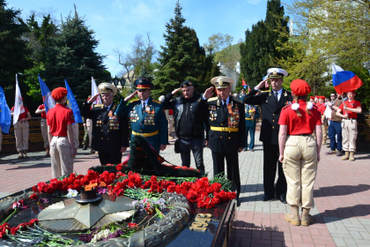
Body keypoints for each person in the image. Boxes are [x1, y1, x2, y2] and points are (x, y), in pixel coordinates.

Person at [243, 68, 293, 203]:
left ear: (282, 81)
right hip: (269, 136)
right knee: (268, 165)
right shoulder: (265, 95)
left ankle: (282, 192)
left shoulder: (289, 96)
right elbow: (246, 99)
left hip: (284, 136)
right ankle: (268, 192)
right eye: (272, 80)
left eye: (277, 80)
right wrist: (256, 87)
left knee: (283, 166)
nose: (274, 83)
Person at [193, 76, 245, 201]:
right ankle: (219, 195)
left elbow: (242, 125)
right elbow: (195, 111)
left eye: (224, 89)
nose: (221, 92)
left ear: (229, 89)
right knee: (218, 171)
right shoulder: (210, 103)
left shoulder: (237, 104)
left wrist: (242, 143)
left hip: (232, 140)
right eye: (219, 89)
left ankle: (234, 196)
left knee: (233, 170)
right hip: (216, 141)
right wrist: (203, 97)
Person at [278, 79, 322, 227]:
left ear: (293, 94)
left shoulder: (287, 110)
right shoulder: (314, 109)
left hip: (292, 143)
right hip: (309, 142)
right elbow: (319, 132)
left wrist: (281, 152)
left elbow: (282, 134)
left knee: (293, 181)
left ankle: (294, 215)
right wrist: (318, 152)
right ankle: (305, 216)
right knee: (308, 182)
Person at [163, 80, 208, 172]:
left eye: (188, 90)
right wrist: (171, 94)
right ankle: (187, 185)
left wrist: (207, 137)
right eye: (183, 91)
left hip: (197, 138)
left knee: (199, 164)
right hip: (182, 138)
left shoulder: (199, 100)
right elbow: (164, 104)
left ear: (193, 89)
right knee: (185, 165)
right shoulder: (178, 101)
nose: (186, 93)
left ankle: (202, 183)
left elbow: (206, 120)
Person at [81, 83, 129, 166]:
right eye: (103, 96)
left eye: (107, 95)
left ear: (112, 96)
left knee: (115, 168)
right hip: (101, 144)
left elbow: (124, 128)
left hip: (115, 144)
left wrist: (124, 144)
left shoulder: (118, 109)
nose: (105, 98)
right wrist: (89, 102)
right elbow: (84, 113)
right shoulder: (97, 109)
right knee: (104, 168)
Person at [115, 78, 168, 153]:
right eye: (139, 91)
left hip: (152, 141)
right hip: (136, 141)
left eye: (144, 91)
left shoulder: (157, 106)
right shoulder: (132, 104)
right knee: (137, 163)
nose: (141, 93)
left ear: (149, 91)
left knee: (151, 163)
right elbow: (118, 113)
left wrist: (163, 142)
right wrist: (125, 100)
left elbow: (163, 125)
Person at [46, 87, 76, 178]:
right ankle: (67, 190)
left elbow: (48, 131)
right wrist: (72, 147)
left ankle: (56, 190)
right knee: (66, 169)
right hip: (64, 140)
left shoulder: (50, 112)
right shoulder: (68, 111)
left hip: (53, 141)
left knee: (55, 171)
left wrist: (50, 145)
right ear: (63, 98)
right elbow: (69, 131)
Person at [336, 90, 362, 161]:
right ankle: (346, 153)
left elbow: (359, 110)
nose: (349, 95)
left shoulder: (356, 102)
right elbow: (337, 113)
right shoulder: (344, 103)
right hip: (345, 121)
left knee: (352, 137)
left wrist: (348, 109)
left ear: (354, 94)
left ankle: (352, 153)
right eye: (348, 94)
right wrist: (343, 115)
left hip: (352, 121)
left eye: (351, 94)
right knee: (345, 137)